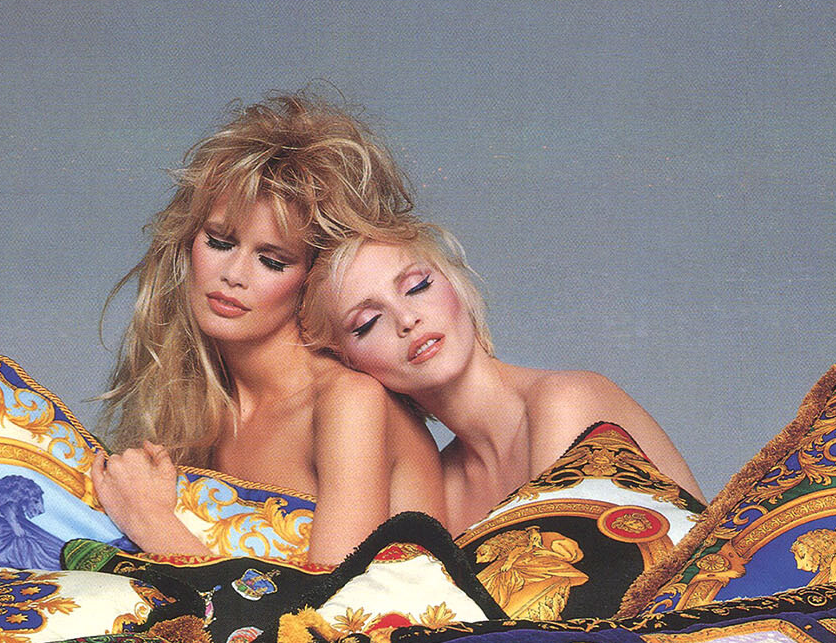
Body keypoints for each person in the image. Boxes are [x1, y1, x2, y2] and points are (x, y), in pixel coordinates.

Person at [92, 94, 446, 564]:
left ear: (313, 279)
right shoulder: (202, 406)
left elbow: (330, 604)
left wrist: (151, 522)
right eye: (219, 242)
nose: (234, 274)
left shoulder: (347, 401)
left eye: (272, 260)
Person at [300, 219, 703, 534]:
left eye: (417, 286)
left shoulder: (564, 402)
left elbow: (566, 592)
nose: (407, 319)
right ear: (349, 363)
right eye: (368, 322)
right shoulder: (441, 486)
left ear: (455, 282)